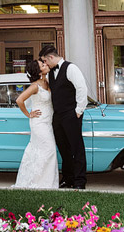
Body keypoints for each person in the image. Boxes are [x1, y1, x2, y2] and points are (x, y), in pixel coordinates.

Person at [39, 45, 89, 189]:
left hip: (71, 114)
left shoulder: (71, 68)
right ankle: (68, 178)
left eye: (45, 61)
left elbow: (81, 88)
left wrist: (78, 111)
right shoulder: (50, 72)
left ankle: (80, 181)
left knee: (76, 148)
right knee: (63, 149)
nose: (45, 64)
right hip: (58, 116)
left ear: (51, 57)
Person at [12, 59, 58, 189]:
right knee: (48, 150)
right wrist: (28, 114)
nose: (45, 64)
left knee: (44, 151)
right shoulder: (34, 86)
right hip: (39, 123)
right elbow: (19, 100)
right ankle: (43, 184)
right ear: (38, 72)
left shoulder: (47, 82)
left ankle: (41, 182)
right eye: (42, 65)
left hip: (48, 122)